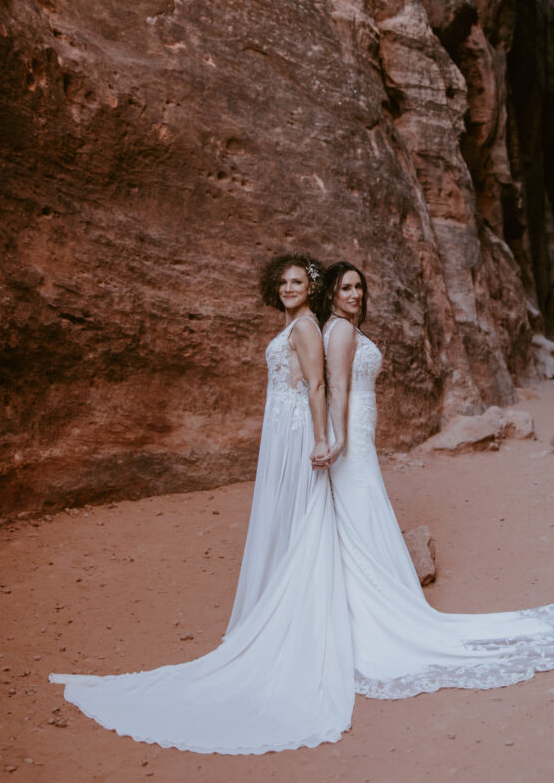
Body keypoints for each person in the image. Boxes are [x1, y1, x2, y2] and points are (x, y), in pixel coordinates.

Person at [50, 253, 354, 755]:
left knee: (297, 515)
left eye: (297, 281)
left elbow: (317, 385)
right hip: (282, 425)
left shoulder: (305, 328)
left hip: (298, 429)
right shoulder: (294, 324)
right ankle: (276, 606)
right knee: (284, 517)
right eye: (282, 281)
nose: (288, 287)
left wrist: (322, 439)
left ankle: (291, 620)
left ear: (311, 287)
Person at [319, 261, 554, 698]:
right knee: (360, 511)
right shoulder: (342, 331)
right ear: (331, 293)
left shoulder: (338, 329)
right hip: (350, 438)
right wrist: (341, 439)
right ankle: (369, 611)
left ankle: (364, 604)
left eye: (359, 287)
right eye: (346, 288)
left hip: (357, 435)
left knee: (362, 512)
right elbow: (337, 387)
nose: (355, 294)